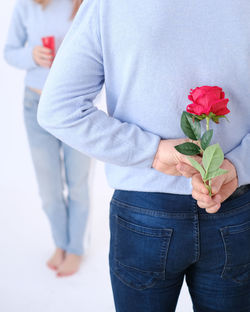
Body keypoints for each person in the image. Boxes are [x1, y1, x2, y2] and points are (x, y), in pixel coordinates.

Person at [37, 0, 250, 310]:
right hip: (235, 209)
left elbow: (58, 109)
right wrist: (237, 167)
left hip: (143, 213)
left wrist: (152, 153)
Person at [4, 0, 90, 277]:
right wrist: (32, 56)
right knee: (49, 190)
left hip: (76, 108)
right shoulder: (26, 5)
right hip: (35, 106)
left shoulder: (87, 3)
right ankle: (61, 244)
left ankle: (75, 247)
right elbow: (9, 52)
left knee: (77, 185)